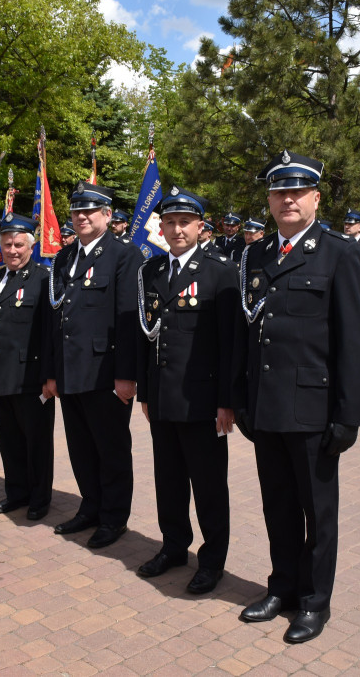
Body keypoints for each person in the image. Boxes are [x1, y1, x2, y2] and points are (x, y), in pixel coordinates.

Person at [234, 150, 360, 644]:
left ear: (315, 197)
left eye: (297, 191)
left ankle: (315, 603)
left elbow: (355, 341)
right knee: (278, 507)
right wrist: (241, 397)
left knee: (319, 512)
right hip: (266, 406)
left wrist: (348, 415)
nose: (287, 199)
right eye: (278, 192)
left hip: (314, 410)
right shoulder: (256, 254)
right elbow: (244, 334)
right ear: (269, 200)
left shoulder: (340, 253)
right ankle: (282, 588)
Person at [135, 185, 238, 595]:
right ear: (161, 227)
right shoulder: (151, 272)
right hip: (161, 396)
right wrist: (145, 390)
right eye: (170, 222)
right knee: (169, 480)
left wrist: (227, 401)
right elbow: (145, 333)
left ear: (200, 226)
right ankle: (174, 546)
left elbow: (230, 343)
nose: (177, 230)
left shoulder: (220, 272)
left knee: (209, 486)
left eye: (185, 222)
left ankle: (212, 560)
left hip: (202, 401)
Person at [44, 181, 143, 548]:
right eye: (76, 211)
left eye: (90, 211)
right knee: (81, 447)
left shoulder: (124, 255)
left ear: (106, 215)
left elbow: (128, 317)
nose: (82, 216)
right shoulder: (65, 257)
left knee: (111, 447)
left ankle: (114, 518)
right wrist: (52, 371)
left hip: (105, 372)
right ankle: (91, 506)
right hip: (70, 369)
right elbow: (57, 319)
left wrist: (126, 374)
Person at [0, 213, 55, 519]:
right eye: (7, 244)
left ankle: (39, 498)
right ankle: (16, 492)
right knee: (8, 440)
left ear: (31, 247)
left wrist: (50, 376)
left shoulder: (44, 280)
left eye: (19, 244)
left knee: (36, 443)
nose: (12, 250)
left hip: (30, 377)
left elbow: (49, 335)